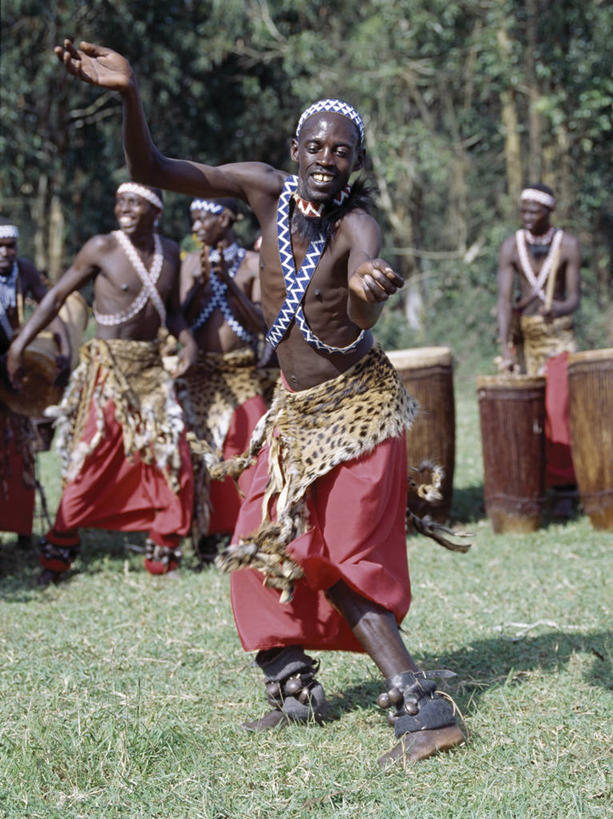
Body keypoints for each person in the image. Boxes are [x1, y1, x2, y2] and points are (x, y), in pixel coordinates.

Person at [53, 39, 466, 765]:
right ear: (294, 148)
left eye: (342, 151)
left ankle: (424, 710)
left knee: (330, 559)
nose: (326, 157)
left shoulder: (352, 224)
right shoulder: (262, 190)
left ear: (354, 164)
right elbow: (152, 170)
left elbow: (364, 289)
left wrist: (368, 285)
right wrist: (129, 94)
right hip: (294, 414)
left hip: (357, 414)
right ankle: (294, 686)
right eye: (316, 145)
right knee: (254, 547)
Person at [6, 183, 197, 584]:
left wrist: (189, 342)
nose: (123, 208)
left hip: (151, 373)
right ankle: (58, 553)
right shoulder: (102, 247)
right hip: (107, 372)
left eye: (134, 202)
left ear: (155, 210)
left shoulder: (169, 252)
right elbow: (56, 295)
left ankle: (163, 552)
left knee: (173, 457)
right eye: (120, 201)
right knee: (89, 460)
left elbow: (174, 313)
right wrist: (19, 346)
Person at [178, 197, 269, 562]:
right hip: (199, 374)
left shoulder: (250, 263)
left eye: (204, 218)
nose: (196, 225)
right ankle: (202, 534)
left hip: (240, 373)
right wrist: (201, 284)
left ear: (227, 219)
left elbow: (262, 322)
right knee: (198, 451)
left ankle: (250, 528)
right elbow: (178, 318)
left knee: (249, 446)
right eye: (193, 219)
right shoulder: (190, 266)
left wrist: (228, 284)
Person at [497, 184, 581, 514]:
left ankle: (565, 489)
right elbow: (504, 302)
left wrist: (557, 309)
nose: (528, 217)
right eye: (524, 211)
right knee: (526, 415)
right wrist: (505, 346)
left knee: (557, 410)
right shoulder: (511, 247)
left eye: (535, 211)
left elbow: (574, 298)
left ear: (550, 212)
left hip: (557, 338)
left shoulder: (568, 245)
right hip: (524, 338)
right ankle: (530, 483)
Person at [0, 218, 71, 547]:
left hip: (15, 371)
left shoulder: (24, 272)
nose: (5, 252)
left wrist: (65, 348)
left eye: (10, 246)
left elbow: (50, 307)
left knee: (19, 449)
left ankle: (22, 529)